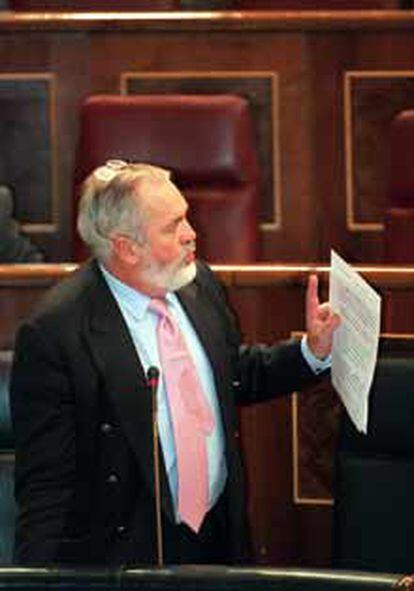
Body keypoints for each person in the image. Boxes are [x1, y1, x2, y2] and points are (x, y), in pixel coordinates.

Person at [10, 160, 340, 567]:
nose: (191, 235)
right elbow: (46, 489)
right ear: (127, 248)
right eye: (173, 226)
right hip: (128, 557)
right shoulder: (56, 333)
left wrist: (312, 352)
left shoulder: (195, 282)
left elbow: (231, 374)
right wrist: (32, 579)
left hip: (219, 535)